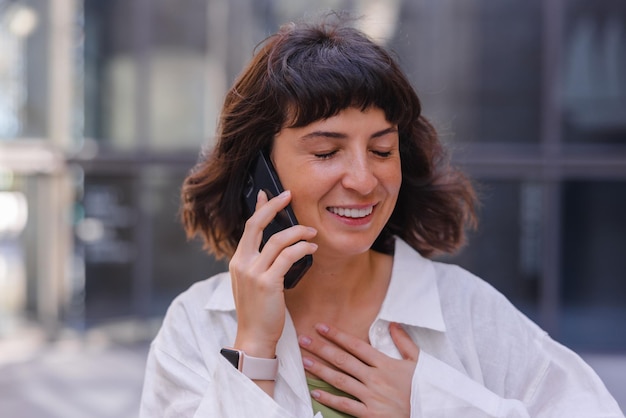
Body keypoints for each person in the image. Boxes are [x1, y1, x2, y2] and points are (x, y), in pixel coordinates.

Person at [139, 15, 624, 418]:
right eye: (327, 152)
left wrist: (431, 404)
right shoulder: (197, 323)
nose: (364, 180)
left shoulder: (464, 310)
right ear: (258, 171)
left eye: (382, 149)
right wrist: (253, 352)